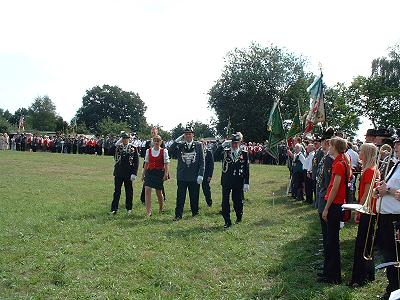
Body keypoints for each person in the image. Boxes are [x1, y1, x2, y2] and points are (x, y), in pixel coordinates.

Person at [320, 136, 352, 284]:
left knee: (332, 242)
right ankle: (329, 272)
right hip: (336, 204)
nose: (329, 147)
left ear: (335, 147)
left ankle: (333, 276)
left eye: (331, 145)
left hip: (334, 205)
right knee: (331, 241)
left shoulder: (339, 164)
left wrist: (326, 208)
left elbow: (334, 188)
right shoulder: (343, 161)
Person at [350, 143, 379, 287]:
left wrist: (358, 211)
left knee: (362, 244)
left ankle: (360, 278)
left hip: (367, 211)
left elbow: (366, 195)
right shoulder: (372, 170)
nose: (359, 153)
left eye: (361, 151)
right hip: (370, 210)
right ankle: (368, 274)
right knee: (367, 244)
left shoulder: (369, 171)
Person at [375, 135, 400, 300]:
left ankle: (396, 290)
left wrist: (388, 190)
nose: (396, 147)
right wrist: (380, 189)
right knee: (389, 256)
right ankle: (392, 288)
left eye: (399, 144)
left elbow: (395, 192)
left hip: (396, 218)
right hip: (386, 217)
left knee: (395, 257)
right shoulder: (396, 164)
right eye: (396, 144)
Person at [215, 133, 249, 228]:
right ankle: (227, 221)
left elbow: (246, 168)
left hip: (238, 181)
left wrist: (246, 182)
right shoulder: (226, 152)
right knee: (225, 201)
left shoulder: (244, 153)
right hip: (226, 180)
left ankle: (239, 216)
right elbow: (215, 156)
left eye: (236, 143)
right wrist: (222, 145)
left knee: (237, 200)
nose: (234, 145)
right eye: (233, 143)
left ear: (239, 143)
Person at [170, 127, 205, 220]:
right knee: (180, 197)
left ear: (193, 134)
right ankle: (178, 215)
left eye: (189, 134)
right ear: (184, 135)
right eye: (186, 134)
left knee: (194, 196)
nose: (188, 136)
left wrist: (201, 174)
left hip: (194, 176)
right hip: (182, 175)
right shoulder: (181, 145)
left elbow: (202, 161)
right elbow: (170, 151)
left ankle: (195, 213)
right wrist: (177, 140)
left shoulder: (198, 145)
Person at [315, 128, 334, 277]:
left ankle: (329, 267)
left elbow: (328, 185)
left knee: (329, 235)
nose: (321, 144)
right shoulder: (324, 157)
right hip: (322, 197)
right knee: (326, 234)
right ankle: (326, 263)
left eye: (323, 141)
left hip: (325, 199)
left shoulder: (329, 159)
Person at [110, 132, 139, 215]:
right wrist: (116, 143)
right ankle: (114, 208)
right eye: (123, 138)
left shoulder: (133, 148)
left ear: (129, 139)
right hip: (118, 172)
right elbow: (109, 151)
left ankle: (129, 208)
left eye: (126, 138)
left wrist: (134, 173)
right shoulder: (118, 147)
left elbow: (136, 162)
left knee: (129, 191)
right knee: (117, 191)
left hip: (128, 173)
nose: (124, 140)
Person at [142, 135, 170, 216]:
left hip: (159, 173)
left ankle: (161, 208)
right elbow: (146, 163)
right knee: (147, 190)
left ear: (161, 142)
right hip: (149, 172)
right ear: (152, 142)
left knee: (159, 192)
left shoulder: (164, 151)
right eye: (155, 141)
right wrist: (143, 174)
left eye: (158, 141)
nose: (156, 142)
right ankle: (148, 212)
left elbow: (166, 164)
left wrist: (166, 174)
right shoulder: (148, 151)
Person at [140, 127, 167, 204]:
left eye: (154, 132)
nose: (153, 134)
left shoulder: (161, 142)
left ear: (157, 133)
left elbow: (163, 155)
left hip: (159, 166)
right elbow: (146, 156)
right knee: (146, 183)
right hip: (149, 165)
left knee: (160, 184)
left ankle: (163, 198)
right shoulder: (148, 143)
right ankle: (143, 199)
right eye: (152, 132)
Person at [201, 139, 214, 207]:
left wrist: (210, 175)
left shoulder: (209, 152)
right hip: (197, 174)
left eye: (203, 144)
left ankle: (209, 203)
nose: (202, 145)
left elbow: (211, 165)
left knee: (206, 189)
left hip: (206, 174)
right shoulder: (197, 152)